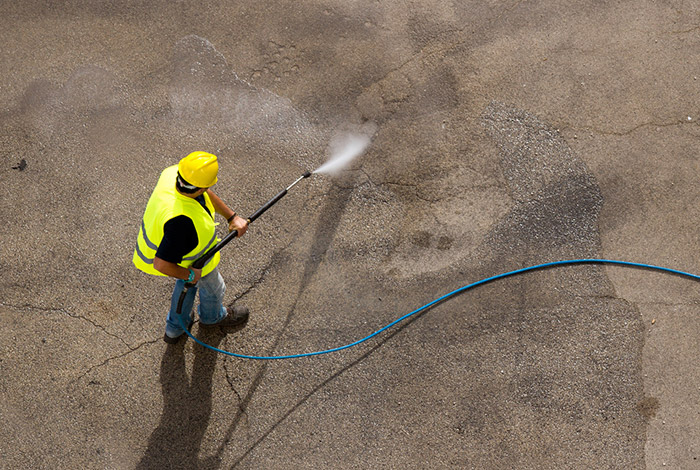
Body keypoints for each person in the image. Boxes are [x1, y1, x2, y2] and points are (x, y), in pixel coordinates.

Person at [133, 151, 250, 344]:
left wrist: (232, 216)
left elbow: (205, 193)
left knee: (186, 288)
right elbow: (161, 264)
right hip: (192, 262)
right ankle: (213, 317)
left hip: (182, 254)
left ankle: (174, 329)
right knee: (213, 288)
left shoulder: (173, 174)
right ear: (202, 187)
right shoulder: (181, 223)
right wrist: (189, 274)